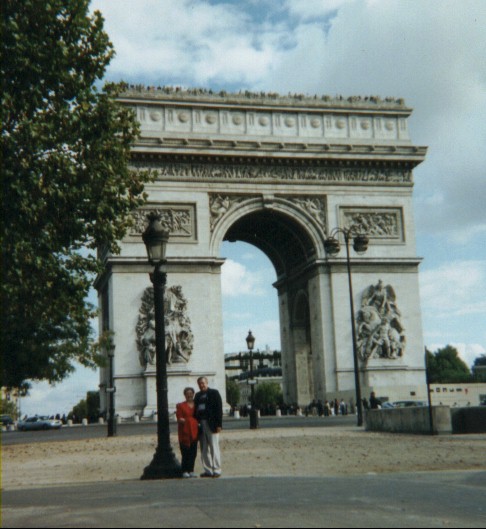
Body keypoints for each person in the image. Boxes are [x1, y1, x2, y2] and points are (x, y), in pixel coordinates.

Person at [194, 376, 223, 478]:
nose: (201, 385)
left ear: (207, 383)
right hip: (201, 424)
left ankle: (217, 470)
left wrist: (219, 424)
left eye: (203, 383)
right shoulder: (197, 396)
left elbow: (219, 409)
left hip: (212, 424)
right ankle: (208, 470)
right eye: (200, 383)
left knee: (214, 447)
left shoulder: (214, 393)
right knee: (204, 448)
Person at [176, 387, 200, 478]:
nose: (189, 395)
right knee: (185, 451)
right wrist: (190, 422)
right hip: (184, 432)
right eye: (187, 393)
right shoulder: (180, 405)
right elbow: (179, 419)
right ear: (185, 395)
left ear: (193, 394)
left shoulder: (196, 405)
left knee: (193, 452)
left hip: (194, 431)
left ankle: (191, 470)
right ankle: (184, 470)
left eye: (191, 393)